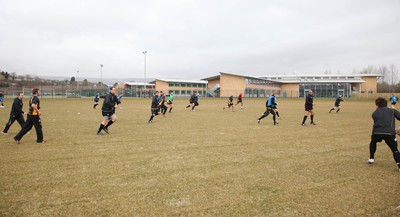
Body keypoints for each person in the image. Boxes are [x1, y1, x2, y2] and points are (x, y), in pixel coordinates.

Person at [368, 97, 400, 172]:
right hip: (389, 133)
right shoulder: (392, 110)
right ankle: (399, 164)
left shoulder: (374, 113)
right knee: (395, 149)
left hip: (376, 132)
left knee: (373, 141)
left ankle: (371, 158)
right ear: (386, 104)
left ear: (377, 104)